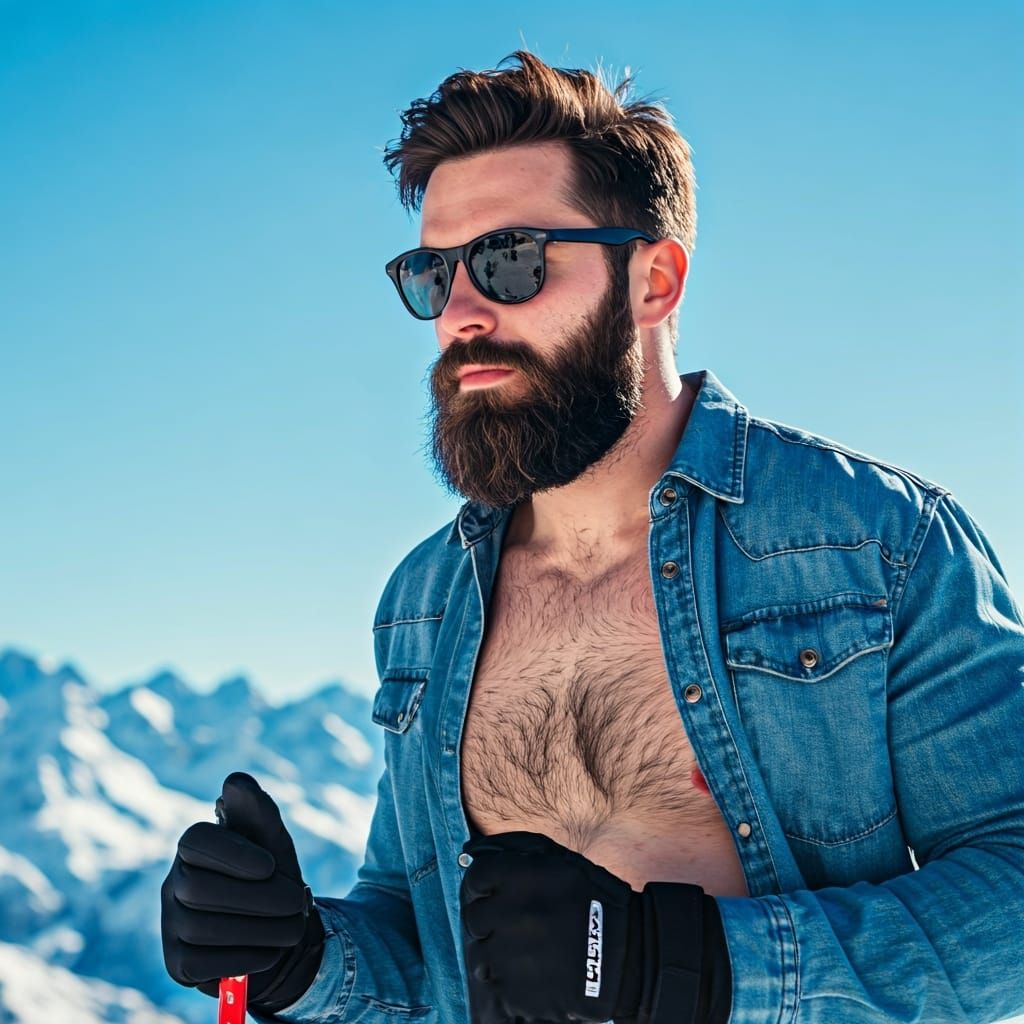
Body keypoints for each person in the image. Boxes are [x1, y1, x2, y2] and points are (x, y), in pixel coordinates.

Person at [160, 51, 1024, 1024]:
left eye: (509, 260)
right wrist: (300, 959)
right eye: (430, 273)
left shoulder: (877, 541)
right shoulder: (422, 601)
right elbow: (427, 943)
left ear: (653, 279)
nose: (459, 314)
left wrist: (686, 967)